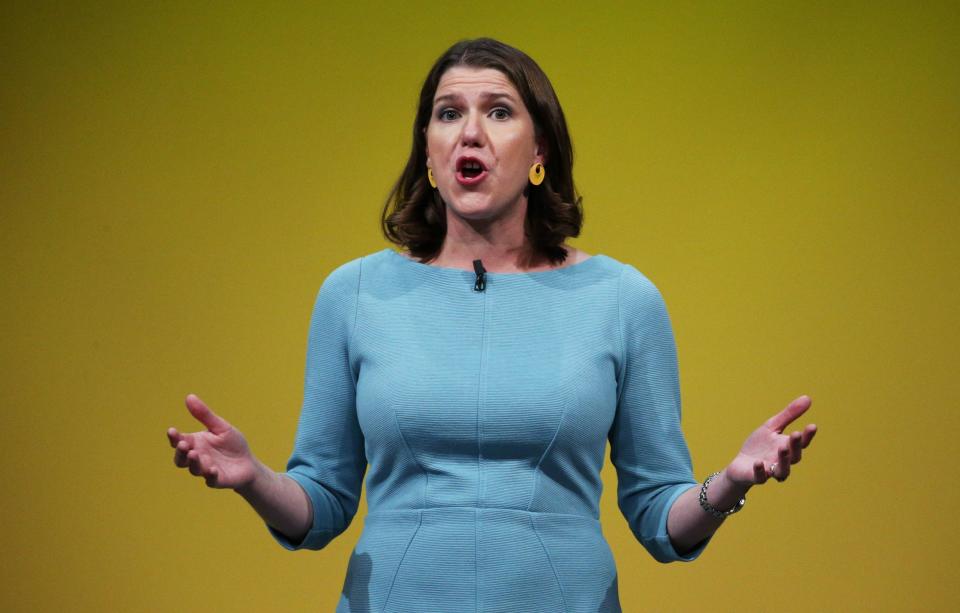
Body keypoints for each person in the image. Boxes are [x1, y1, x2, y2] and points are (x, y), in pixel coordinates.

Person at [167, 38, 818, 612]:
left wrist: (729, 482)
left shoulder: (623, 298)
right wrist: (255, 478)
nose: (468, 132)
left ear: (539, 150)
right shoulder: (354, 293)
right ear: (429, 149)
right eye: (448, 113)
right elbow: (322, 501)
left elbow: (659, 514)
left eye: (497, 111)